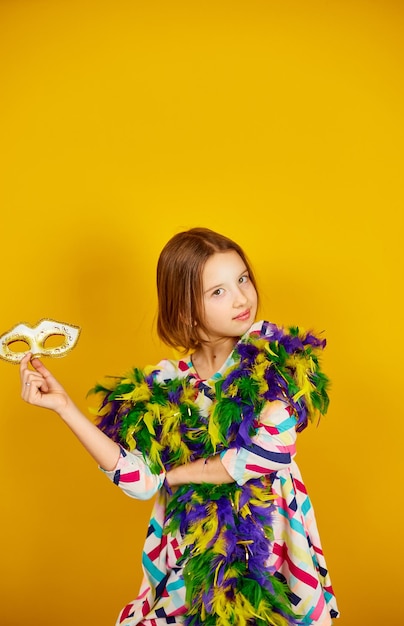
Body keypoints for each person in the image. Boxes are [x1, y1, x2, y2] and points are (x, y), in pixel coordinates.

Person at [20, 227, 339, 626]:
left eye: (242, 279)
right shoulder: (167, 384)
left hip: (268, 541)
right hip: (192, 545)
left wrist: (174, 475)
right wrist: (66, 408)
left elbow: (261, 456)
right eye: (218, 291)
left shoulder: (275, 361)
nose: (242, 298)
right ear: (186, 309)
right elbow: (140, 481)